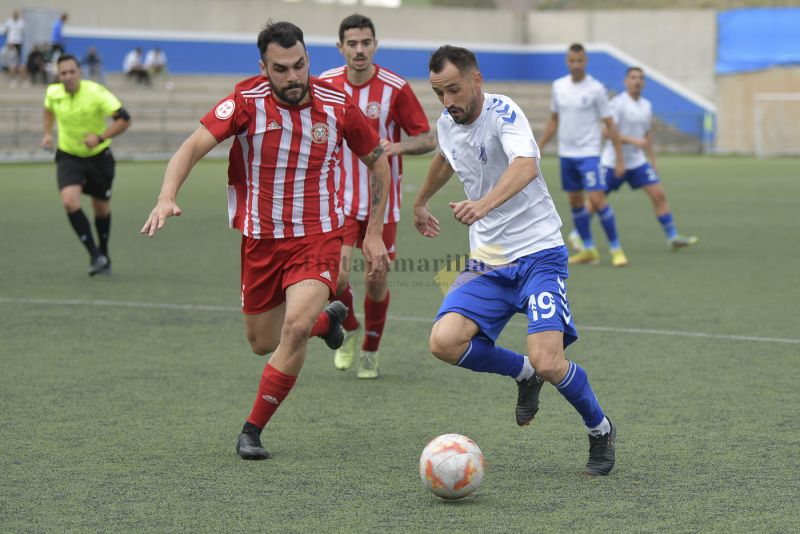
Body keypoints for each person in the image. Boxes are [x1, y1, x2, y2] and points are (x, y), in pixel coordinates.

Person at [140, 21, 392, 461]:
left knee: (293, 329)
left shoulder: (337, 104)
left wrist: (372, 233)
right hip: (261, 241)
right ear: (264, 67)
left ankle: (251, 430)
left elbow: (378, 163)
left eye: (299, 66)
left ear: (308, 59)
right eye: (281, 69)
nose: (293, 77)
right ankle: (327, 324)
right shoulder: (245, 101)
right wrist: (166, 196)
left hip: (319, 236)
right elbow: (192, 147)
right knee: (263, 342)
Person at [413, 45, 616, 476]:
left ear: (476, 80)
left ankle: (599, 429)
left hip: (539, 255)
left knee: (550, 360)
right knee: (443, 342)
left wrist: (484, 204)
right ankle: (524, 375)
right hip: (487, 262)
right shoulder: (447, 123)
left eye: (454, 90)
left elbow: (525, 164)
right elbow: (445, 159)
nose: (448, 102)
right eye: (439, 94)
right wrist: (420, 201)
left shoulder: (503, 111)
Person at [319, 13, 436, 378]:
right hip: (336, 203)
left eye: (365, 42)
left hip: (380, 205)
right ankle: (351, 329)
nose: (359, 49)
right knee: (335, 280)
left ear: (375, 45)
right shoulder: (323, 85)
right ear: (340, 47)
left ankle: (370, 348)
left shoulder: (394, 88)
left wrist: (396, 148)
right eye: (351, 43)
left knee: (375, 280)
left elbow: (428, 139)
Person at [570, 67, 698, 250]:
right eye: (633, 78)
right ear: (626, 81)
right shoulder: (618, 103)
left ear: (644, 82)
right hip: (613, 162)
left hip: (637, 162)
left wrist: (653, 161)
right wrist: (632, 141)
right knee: (596, 200)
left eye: (640, 78)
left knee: (659, 194)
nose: (637, 81)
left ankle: (673, 237)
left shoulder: (646, 105)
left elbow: (647, 136)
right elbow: (607, 131)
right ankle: (577, 234)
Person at [539, 43, 628, 267]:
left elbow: (611, 125)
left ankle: (616, 249)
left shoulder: (596, 89)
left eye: (580, 61)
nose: (576, 65)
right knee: (575, 201)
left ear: (585, 61)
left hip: (589, 154)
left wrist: (619, 158)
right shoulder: (558, 86)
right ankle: (589, 249)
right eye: (572, 61)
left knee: (598, 200)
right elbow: (554, 120)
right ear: (567, 62)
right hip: (566, 154)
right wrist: (539, 145)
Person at [42, 55, 132, 275]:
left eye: (72, 71)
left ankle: (104, 252)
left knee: (101, 209)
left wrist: (100, 137)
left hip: (99, 157)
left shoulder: (96, 92)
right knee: (69, 201)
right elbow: (48, 110)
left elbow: (124, 118)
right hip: (68, 156)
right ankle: (95, 255)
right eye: (63, 73)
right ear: (58, 76)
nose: (68, 76)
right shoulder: (53, 93)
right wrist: (47, 134)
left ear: (79, 72)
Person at [3, 10, 24, 85]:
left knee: (18, 60)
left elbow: (23, 31)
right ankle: (12, 77)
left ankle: (18, 74)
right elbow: (6, 31)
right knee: (11, 61)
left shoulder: (21, 22)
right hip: (11, 41)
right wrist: (9, 40)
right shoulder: (9, 22)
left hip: (18, 42)